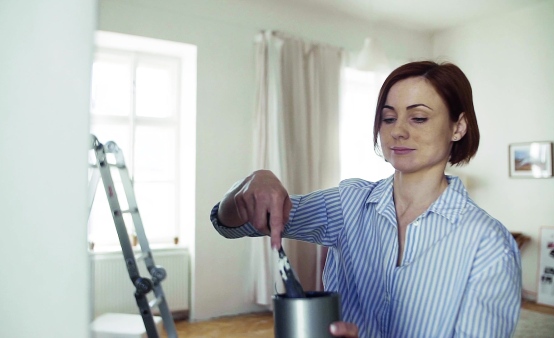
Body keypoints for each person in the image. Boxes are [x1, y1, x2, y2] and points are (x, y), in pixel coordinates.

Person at [210, 61, 522, 337]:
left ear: (458, 126)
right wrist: (251, 183)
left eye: (419, 118)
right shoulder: (349, 204)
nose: (397, 131)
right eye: (388, 118)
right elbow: (232, 225)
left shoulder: (489, 245)